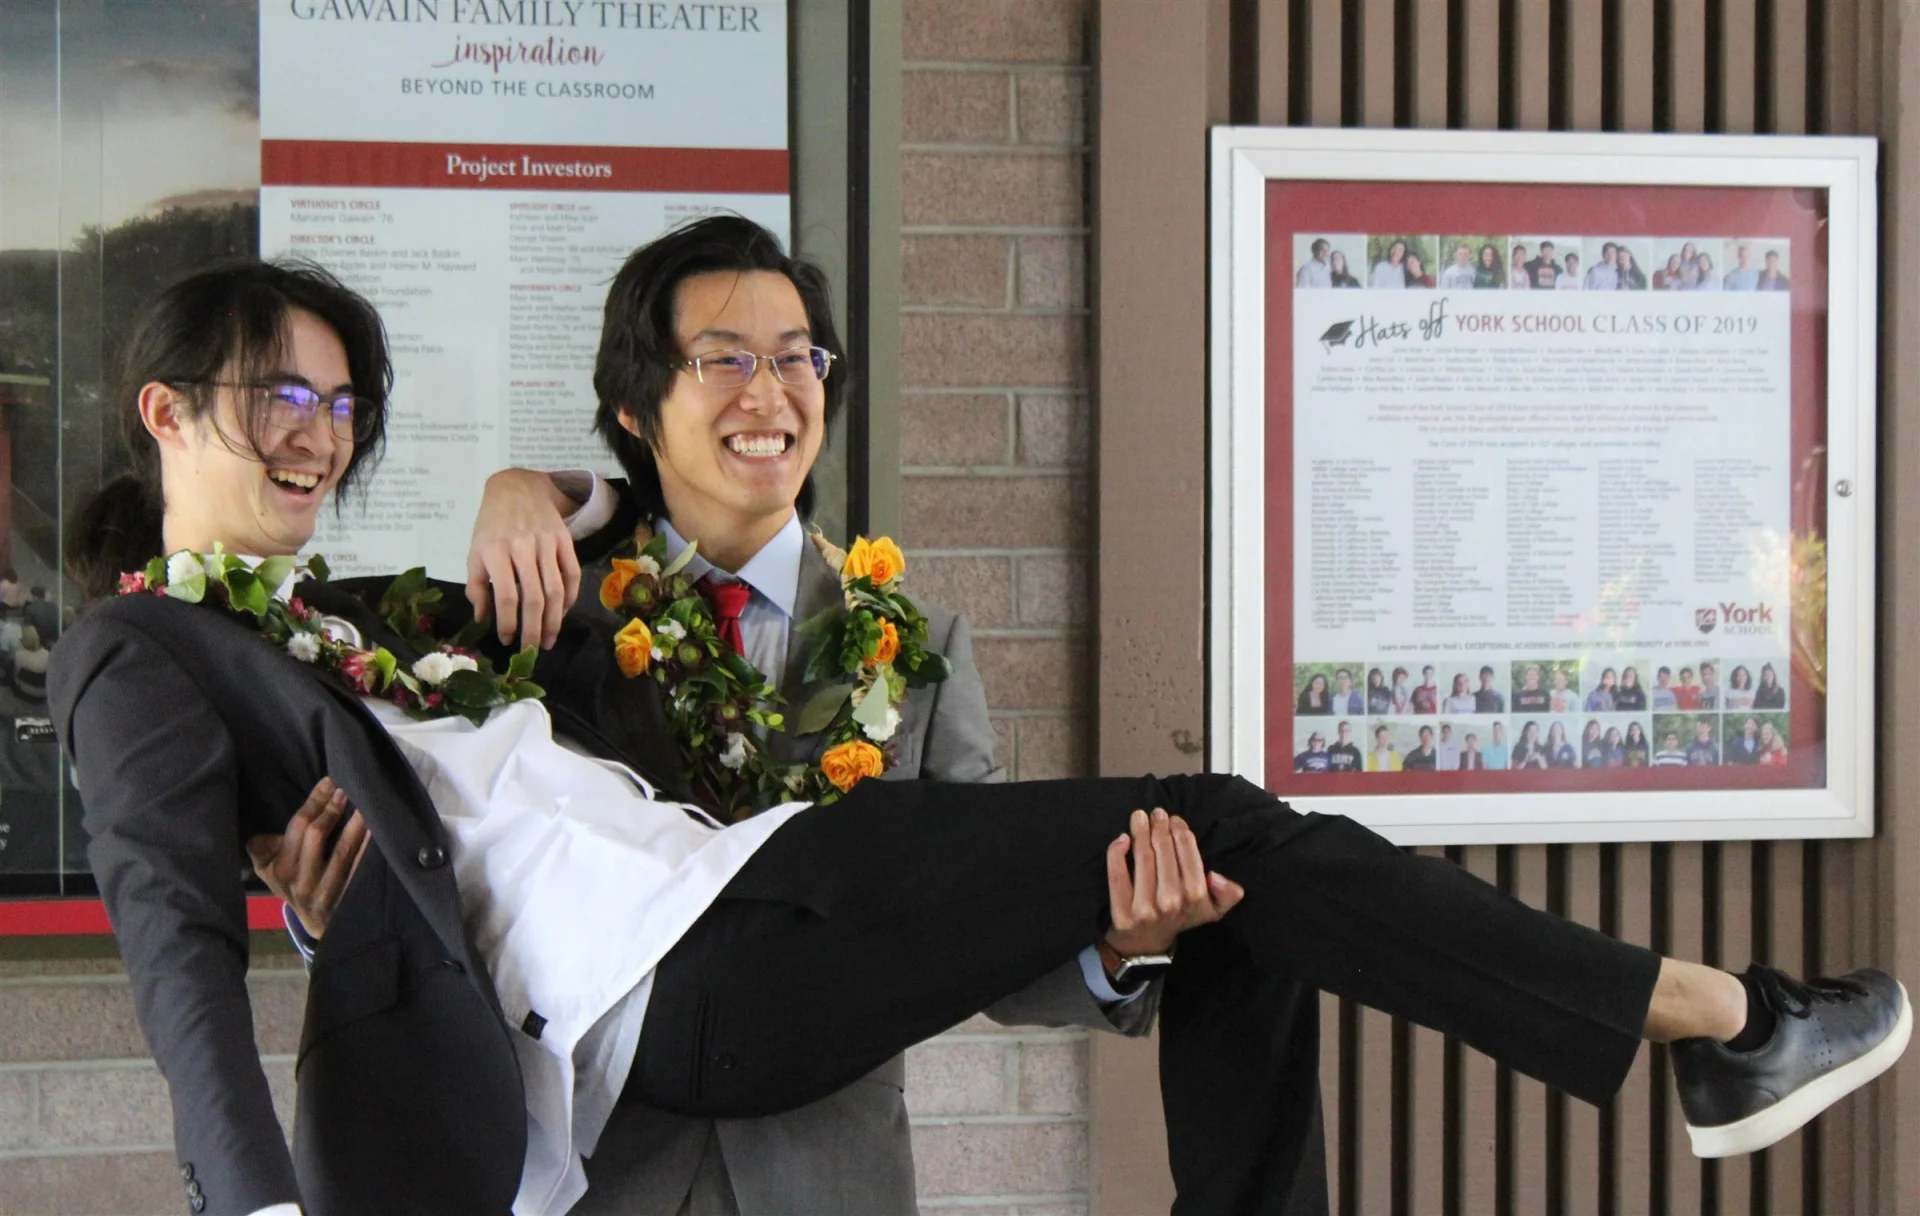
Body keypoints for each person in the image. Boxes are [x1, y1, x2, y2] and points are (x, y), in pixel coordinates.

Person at [57, 261, 1908, 1216]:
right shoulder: (142, 650)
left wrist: (497, 480)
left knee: (1232, 865)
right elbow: (164, 923)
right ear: (165, 410)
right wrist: (257, 1200)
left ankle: (1711, 1034)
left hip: (737, 926)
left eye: (340, 398)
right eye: (273, 394)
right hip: (670, 978)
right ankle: (1712, 1019)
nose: (316, 427)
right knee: (1229, 806)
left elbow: (539, 578)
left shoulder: (374, 621)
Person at [354, 217, 1171, 1215]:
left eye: (795, 358)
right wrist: (327, 921)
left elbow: (973, 919)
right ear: (634, 404)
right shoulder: (549, 619)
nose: (767, 390)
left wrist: (1120, 949)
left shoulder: (920, 650)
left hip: (832, 1185)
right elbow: (463, 878)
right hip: (600, 1177)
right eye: (722, 358)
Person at [12, 624, 49, 701]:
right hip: (44, 695)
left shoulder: (19, 655)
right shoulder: (48, 655)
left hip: (27, 694)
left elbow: (16, 677)